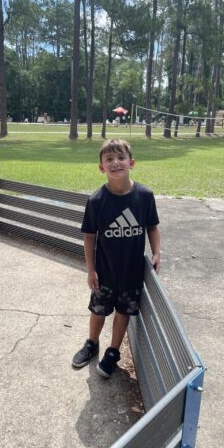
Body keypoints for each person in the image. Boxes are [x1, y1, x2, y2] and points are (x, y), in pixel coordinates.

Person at [72, 139, 160, 378]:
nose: (115, 163)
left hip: (132, 274)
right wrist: (91, 270)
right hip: (105, 272)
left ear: (131, 162)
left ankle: (113, 352)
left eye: (120, 157)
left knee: (123, 312)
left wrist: (157, 252)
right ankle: (92, 343)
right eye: (109, 159)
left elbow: (152, 227)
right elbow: (89, 237)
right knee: (99, 311)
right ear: (101, 167)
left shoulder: (144, 195)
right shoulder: (97, 200)